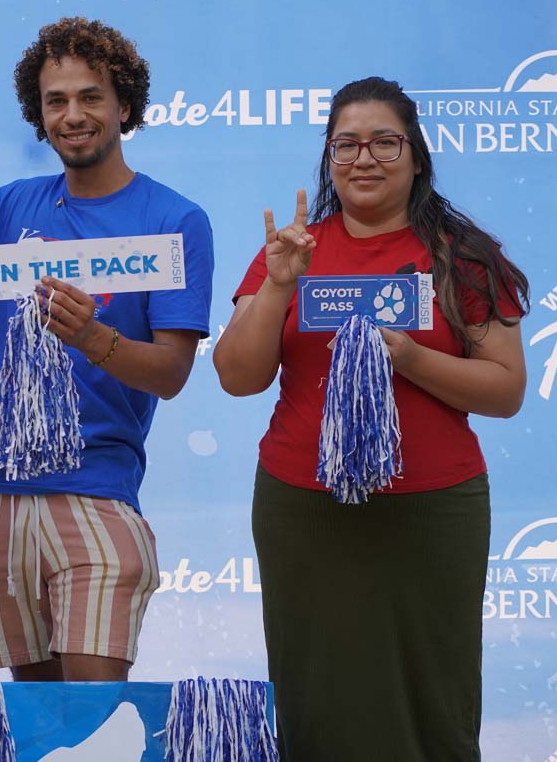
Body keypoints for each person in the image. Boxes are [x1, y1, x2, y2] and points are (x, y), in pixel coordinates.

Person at [213, 76, 528, 761]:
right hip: (304, 508)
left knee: (434, 698)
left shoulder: (463, 256)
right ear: (328, 158)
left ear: (416, 156)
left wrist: (409, 357)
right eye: (346, 144)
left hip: (433, 510)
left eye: (385, 142)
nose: (364, 158)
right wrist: (278, 285)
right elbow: (237, 376)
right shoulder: (291, 251)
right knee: (318, 695)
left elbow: (505, 391)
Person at [0, 17, 213, 682]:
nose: (73, 116)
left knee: (95, 715)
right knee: (39, 718)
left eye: (90, 97)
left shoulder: (174, 220)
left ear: (124, 106)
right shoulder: (15, 204)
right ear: (38, 115)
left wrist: (91, 338)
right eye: (56, 101)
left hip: (96, 490)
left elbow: (171, 373)